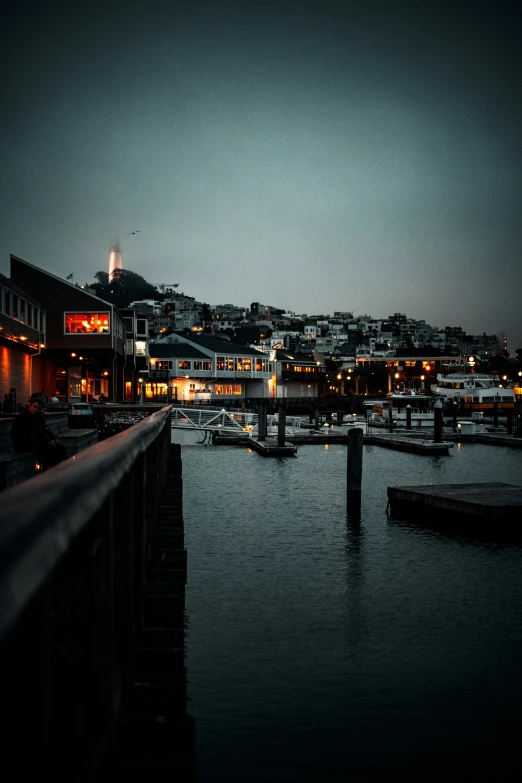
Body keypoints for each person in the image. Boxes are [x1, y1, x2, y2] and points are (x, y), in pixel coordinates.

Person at [11, 393, 67, 470]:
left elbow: (43, 430)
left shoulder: (36, 417)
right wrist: (48, 440)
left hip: (33, 442)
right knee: (49, 448)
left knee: (61, 448)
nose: (36, 409)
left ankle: (50, 468)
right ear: (29, 406)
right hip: (23, 444)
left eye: (38, 408)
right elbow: (37, 432)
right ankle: (46, 470)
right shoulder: (24, 417)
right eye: (35, 407)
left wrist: (52, 437)